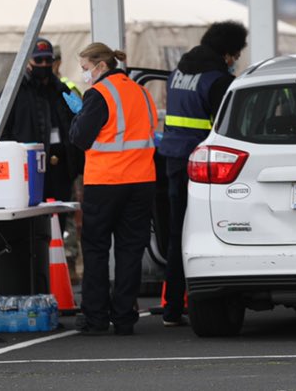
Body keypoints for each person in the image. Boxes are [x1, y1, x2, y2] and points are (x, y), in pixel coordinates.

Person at [157, 21, 247, 327]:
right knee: (209, 232)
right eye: (236, 54)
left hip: (173, 158)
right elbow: (229, 126)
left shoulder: (178, 73)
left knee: (176, 233)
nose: (236, 60)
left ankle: (172, 307)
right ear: (227, 52)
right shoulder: (218, 80)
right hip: (204, 165)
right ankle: (209, 299)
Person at [69, 43, 158, 336]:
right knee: (130, 250)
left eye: (85, 68)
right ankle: (124, 318)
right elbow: (149, 131)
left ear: (101, 66)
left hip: (105, 183)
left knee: (96, 250)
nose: (84, 74)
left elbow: (80, 138)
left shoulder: (99, 94)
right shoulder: (142, 92)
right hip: (141, 181)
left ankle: (95, 318)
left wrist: (78, 115)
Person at [0, 38, 84, 205]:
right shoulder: (13, 93)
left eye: (48, 60)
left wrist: (78, 167)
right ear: (27, 61)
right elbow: (2, 134)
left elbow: (77, 125)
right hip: (28, 172)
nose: (44, 64)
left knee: (60, 216)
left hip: (61, 172)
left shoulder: (61, 90)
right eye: (38, 60)